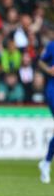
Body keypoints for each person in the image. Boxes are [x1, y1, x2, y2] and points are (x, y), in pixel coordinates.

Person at [37, 39, 54, 184]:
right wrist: (48, 69)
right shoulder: (51, 45)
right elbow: (41, 61)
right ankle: (46, 163)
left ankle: (46, 162)